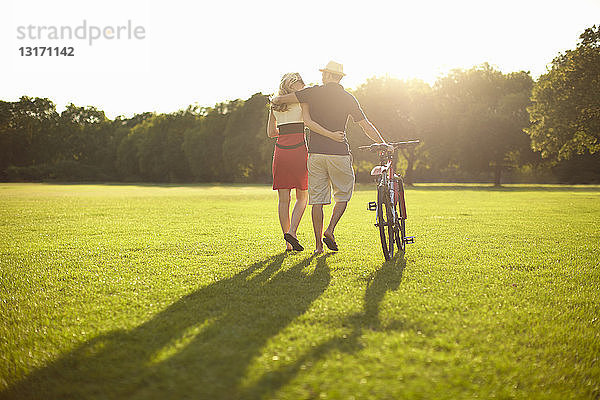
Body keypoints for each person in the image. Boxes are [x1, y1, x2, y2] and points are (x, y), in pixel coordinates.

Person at [272, 61, 390, 254]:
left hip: (316, 154)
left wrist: (276, 100)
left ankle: (318, 247)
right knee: (343, 195)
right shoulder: (348, 98)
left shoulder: (313, 92)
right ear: (340, 77)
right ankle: (330, 229)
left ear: (327, 75)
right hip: (339, 153)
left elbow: (282, 99)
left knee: (316, 201)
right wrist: (383, 142)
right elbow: (365, 125)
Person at [267, 72, 345, 252]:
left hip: (280, 152)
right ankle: (292, 232)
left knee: (283, 199)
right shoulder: (302, 102)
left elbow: (271, 133)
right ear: (293, 85)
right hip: (298, 150)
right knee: (302, 197)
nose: (303, 86)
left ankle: (288, 242)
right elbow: (309, 122)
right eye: (300, 83)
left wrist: (285, 131)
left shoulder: (274, 105)